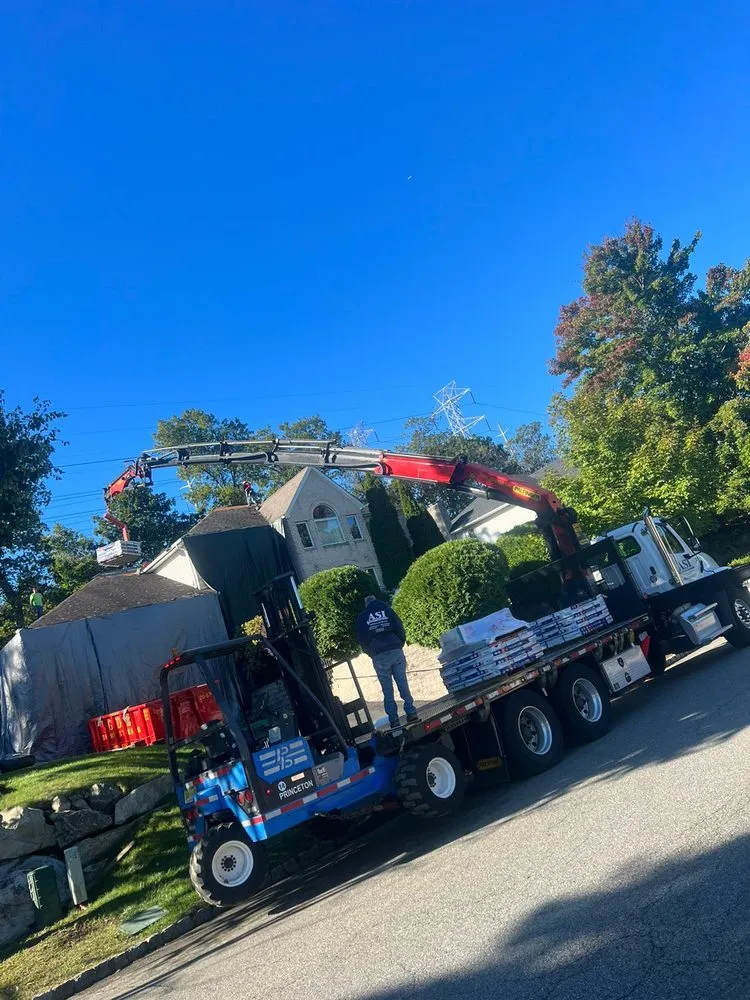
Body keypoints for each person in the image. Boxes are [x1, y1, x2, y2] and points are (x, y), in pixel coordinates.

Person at [356, 595, 417, 728]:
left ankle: (394, 719)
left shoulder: (362, 617)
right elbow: (400, 628)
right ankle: (411, 712)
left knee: (387, 689)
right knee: (402, 682)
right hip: (395, 649)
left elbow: (362, 638)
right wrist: (399, 644)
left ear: (366, 605)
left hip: (379, 654)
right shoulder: (388, 610)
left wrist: (371, 652)